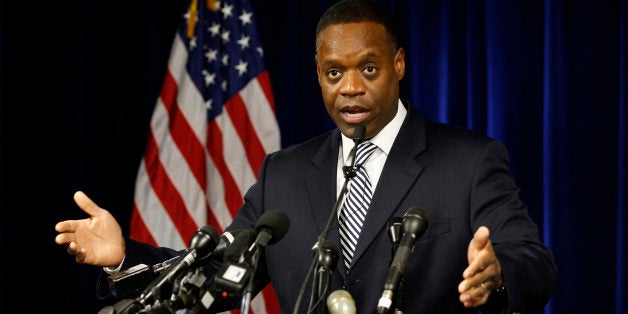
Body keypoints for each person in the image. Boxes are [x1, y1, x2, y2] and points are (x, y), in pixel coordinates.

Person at [55, 0, 557, 313]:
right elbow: (220, 278)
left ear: (398, 65)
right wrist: (124, 258)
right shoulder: (285, 175)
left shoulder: (469, 162)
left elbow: (534, 262)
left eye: (369, 68)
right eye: (334, 73)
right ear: (318, 75)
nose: (351, 87)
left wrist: (498, 275)